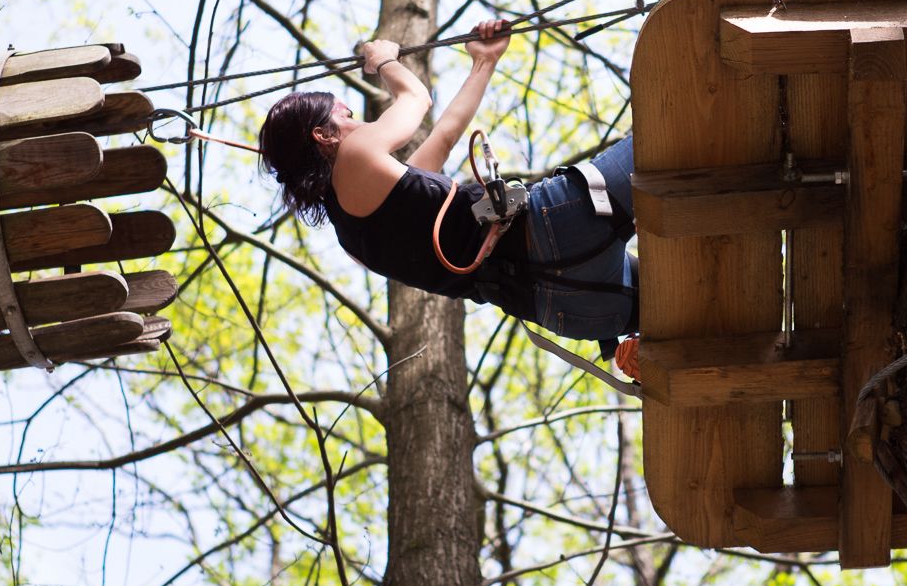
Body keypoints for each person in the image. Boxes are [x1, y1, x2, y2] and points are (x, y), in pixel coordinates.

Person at [257, 20, 637, 349]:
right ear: (323, 136)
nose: (358, 124)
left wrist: (484, 60)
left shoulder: (354, 238)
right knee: (672, 127)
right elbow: (416, 97)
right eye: (347, 115)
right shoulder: (354, 152)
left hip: (565, 306)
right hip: (552, 227)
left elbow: (444, 137)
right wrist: (384, 60)